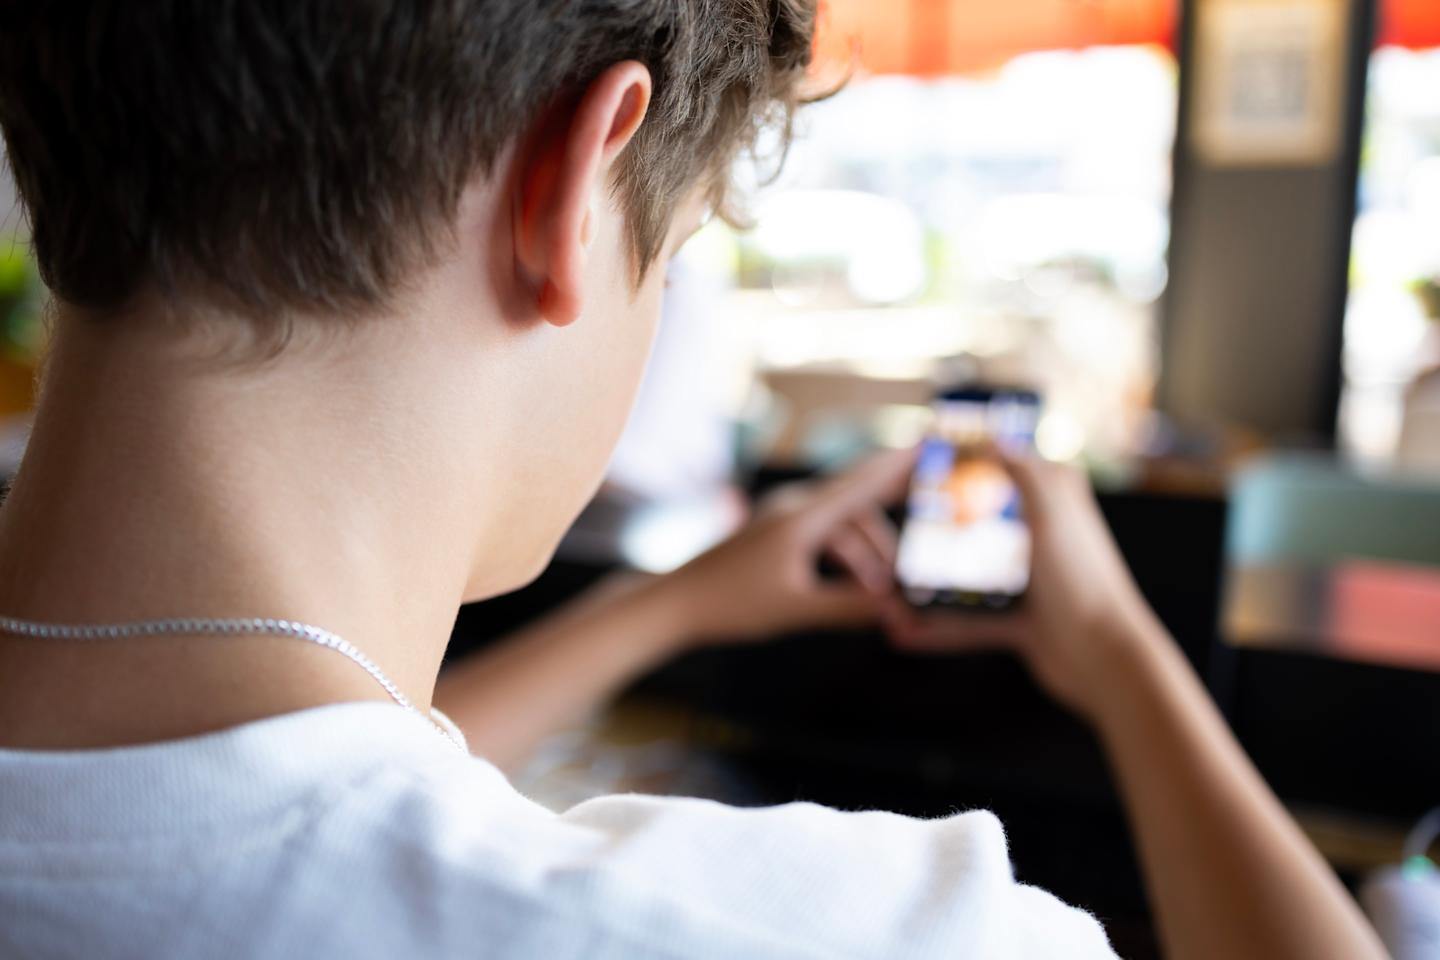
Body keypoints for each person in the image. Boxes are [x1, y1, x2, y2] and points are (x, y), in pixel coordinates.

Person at [0, 3, 1384, 959]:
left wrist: (668, 610)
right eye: (680, 248)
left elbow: (237, 789)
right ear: (571, 184)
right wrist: (1123, 653)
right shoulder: (871, 936)